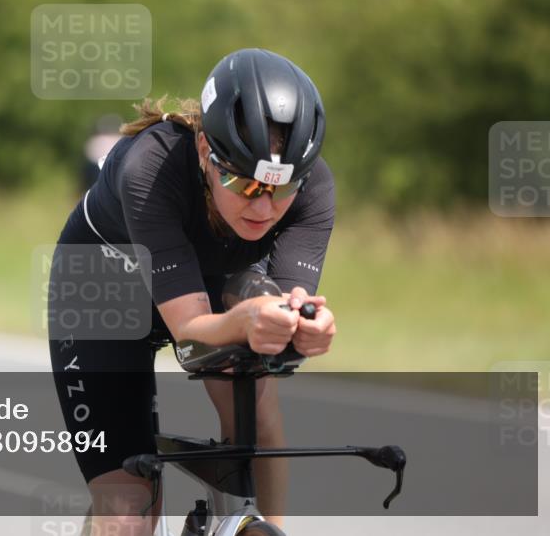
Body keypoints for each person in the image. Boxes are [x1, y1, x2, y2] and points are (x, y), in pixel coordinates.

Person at [48, 48, 337, 535]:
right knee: (129, 508)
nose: (264, 209)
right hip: (104, 292)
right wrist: (249, 321)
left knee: (258, 405)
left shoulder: (313, 188)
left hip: (209, 283)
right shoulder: (150, 169)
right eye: (243, 184)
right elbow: (190, 331)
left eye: (281, 190)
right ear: (205, 150)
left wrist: (303, 329)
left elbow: (283, 312)